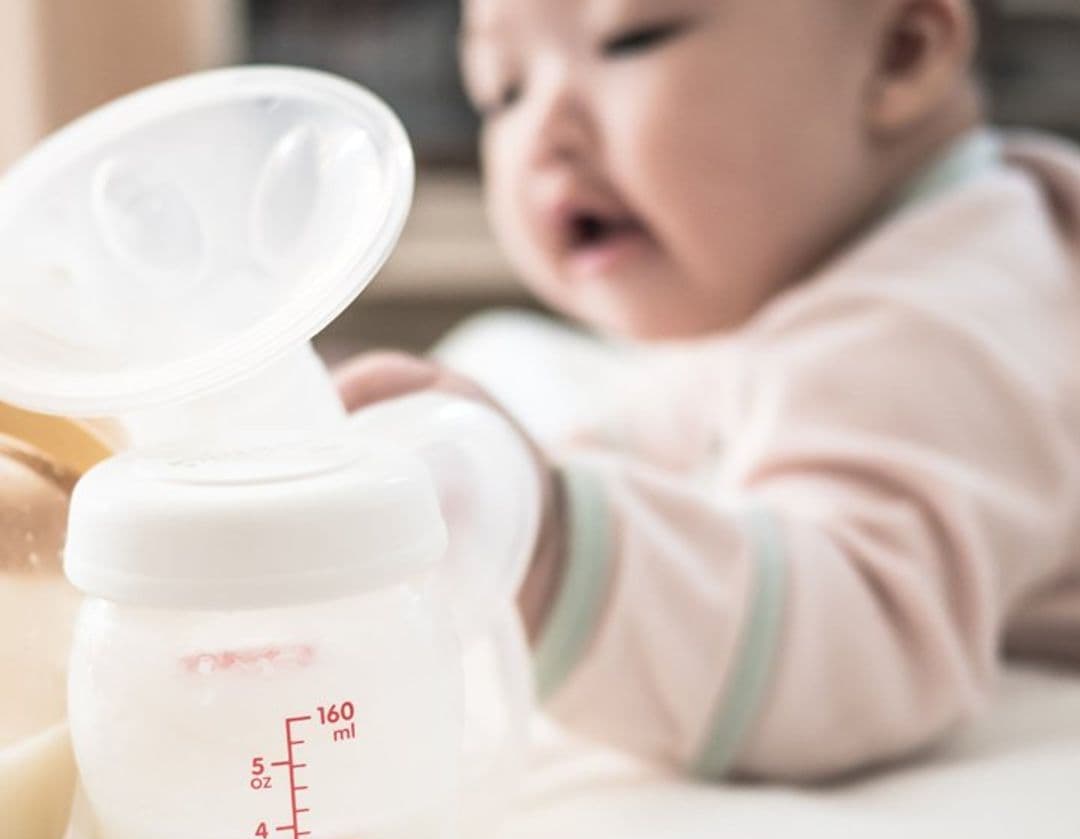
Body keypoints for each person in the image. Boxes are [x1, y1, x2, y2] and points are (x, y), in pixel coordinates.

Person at [336, 0, 1080, 781]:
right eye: (502, 90)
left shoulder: (938, 312)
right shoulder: (807, 286)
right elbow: (670, 440)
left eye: (631, 40)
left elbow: (848, 649)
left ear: (899, 52)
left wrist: (549, 550)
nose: (542, 133)